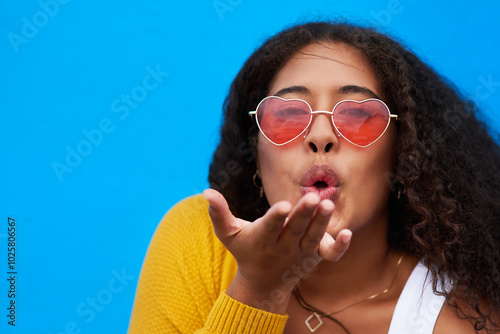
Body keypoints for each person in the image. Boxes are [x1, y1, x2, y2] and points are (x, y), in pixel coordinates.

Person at [128, 20, 500, 333]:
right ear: (256, 154)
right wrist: (259, 291)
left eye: (357, 114)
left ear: (404, 151)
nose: (320, 136)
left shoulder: (465, 318)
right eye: (288, 113)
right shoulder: (200, 241)